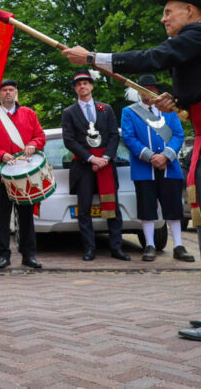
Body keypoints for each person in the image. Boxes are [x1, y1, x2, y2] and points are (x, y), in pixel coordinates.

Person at [63, 0, 201, 342]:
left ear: (191, 11)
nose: (164, 19)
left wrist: (93, 58)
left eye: (168, 11)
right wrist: (176, 99)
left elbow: (154, 58)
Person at [121, 75, 195, 263]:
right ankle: (150, 245)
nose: (149, 92)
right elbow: (129, 138)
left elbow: (179, 134)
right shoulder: (129, 112)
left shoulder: (170, 111)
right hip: (144, 168)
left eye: (152, 88)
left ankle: (178, 245)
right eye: (145, 88)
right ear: (139, 91)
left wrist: (166, 156)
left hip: (169, 167)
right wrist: (150, 156)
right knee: (147, 209)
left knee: (174, 208)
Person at [61, 70, 129, 262]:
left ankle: (117, 248)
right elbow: (69, 140)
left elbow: (115, 136)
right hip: (84, 166)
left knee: (112, 208)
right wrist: (91, 159)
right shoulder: (69, 112)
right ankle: (89, 249)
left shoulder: (105, 109)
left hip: (106, 165)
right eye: (79, 84)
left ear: (91, 86)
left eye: (85, 83)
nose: (83, 86)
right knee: (84, 209)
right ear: (75, 88)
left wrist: (106, 157)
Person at [0, 79, 46, 269]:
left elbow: (40, 136)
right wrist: (0, 154)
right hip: (0, 172)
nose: (8, 93)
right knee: (2, 216)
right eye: (4, 90)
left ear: (16, 93)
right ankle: (4, 255)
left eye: (11, 90)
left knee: (26, 216)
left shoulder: (28, 113)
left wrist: (33, 145)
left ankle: (29, 255)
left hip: (24, 173)